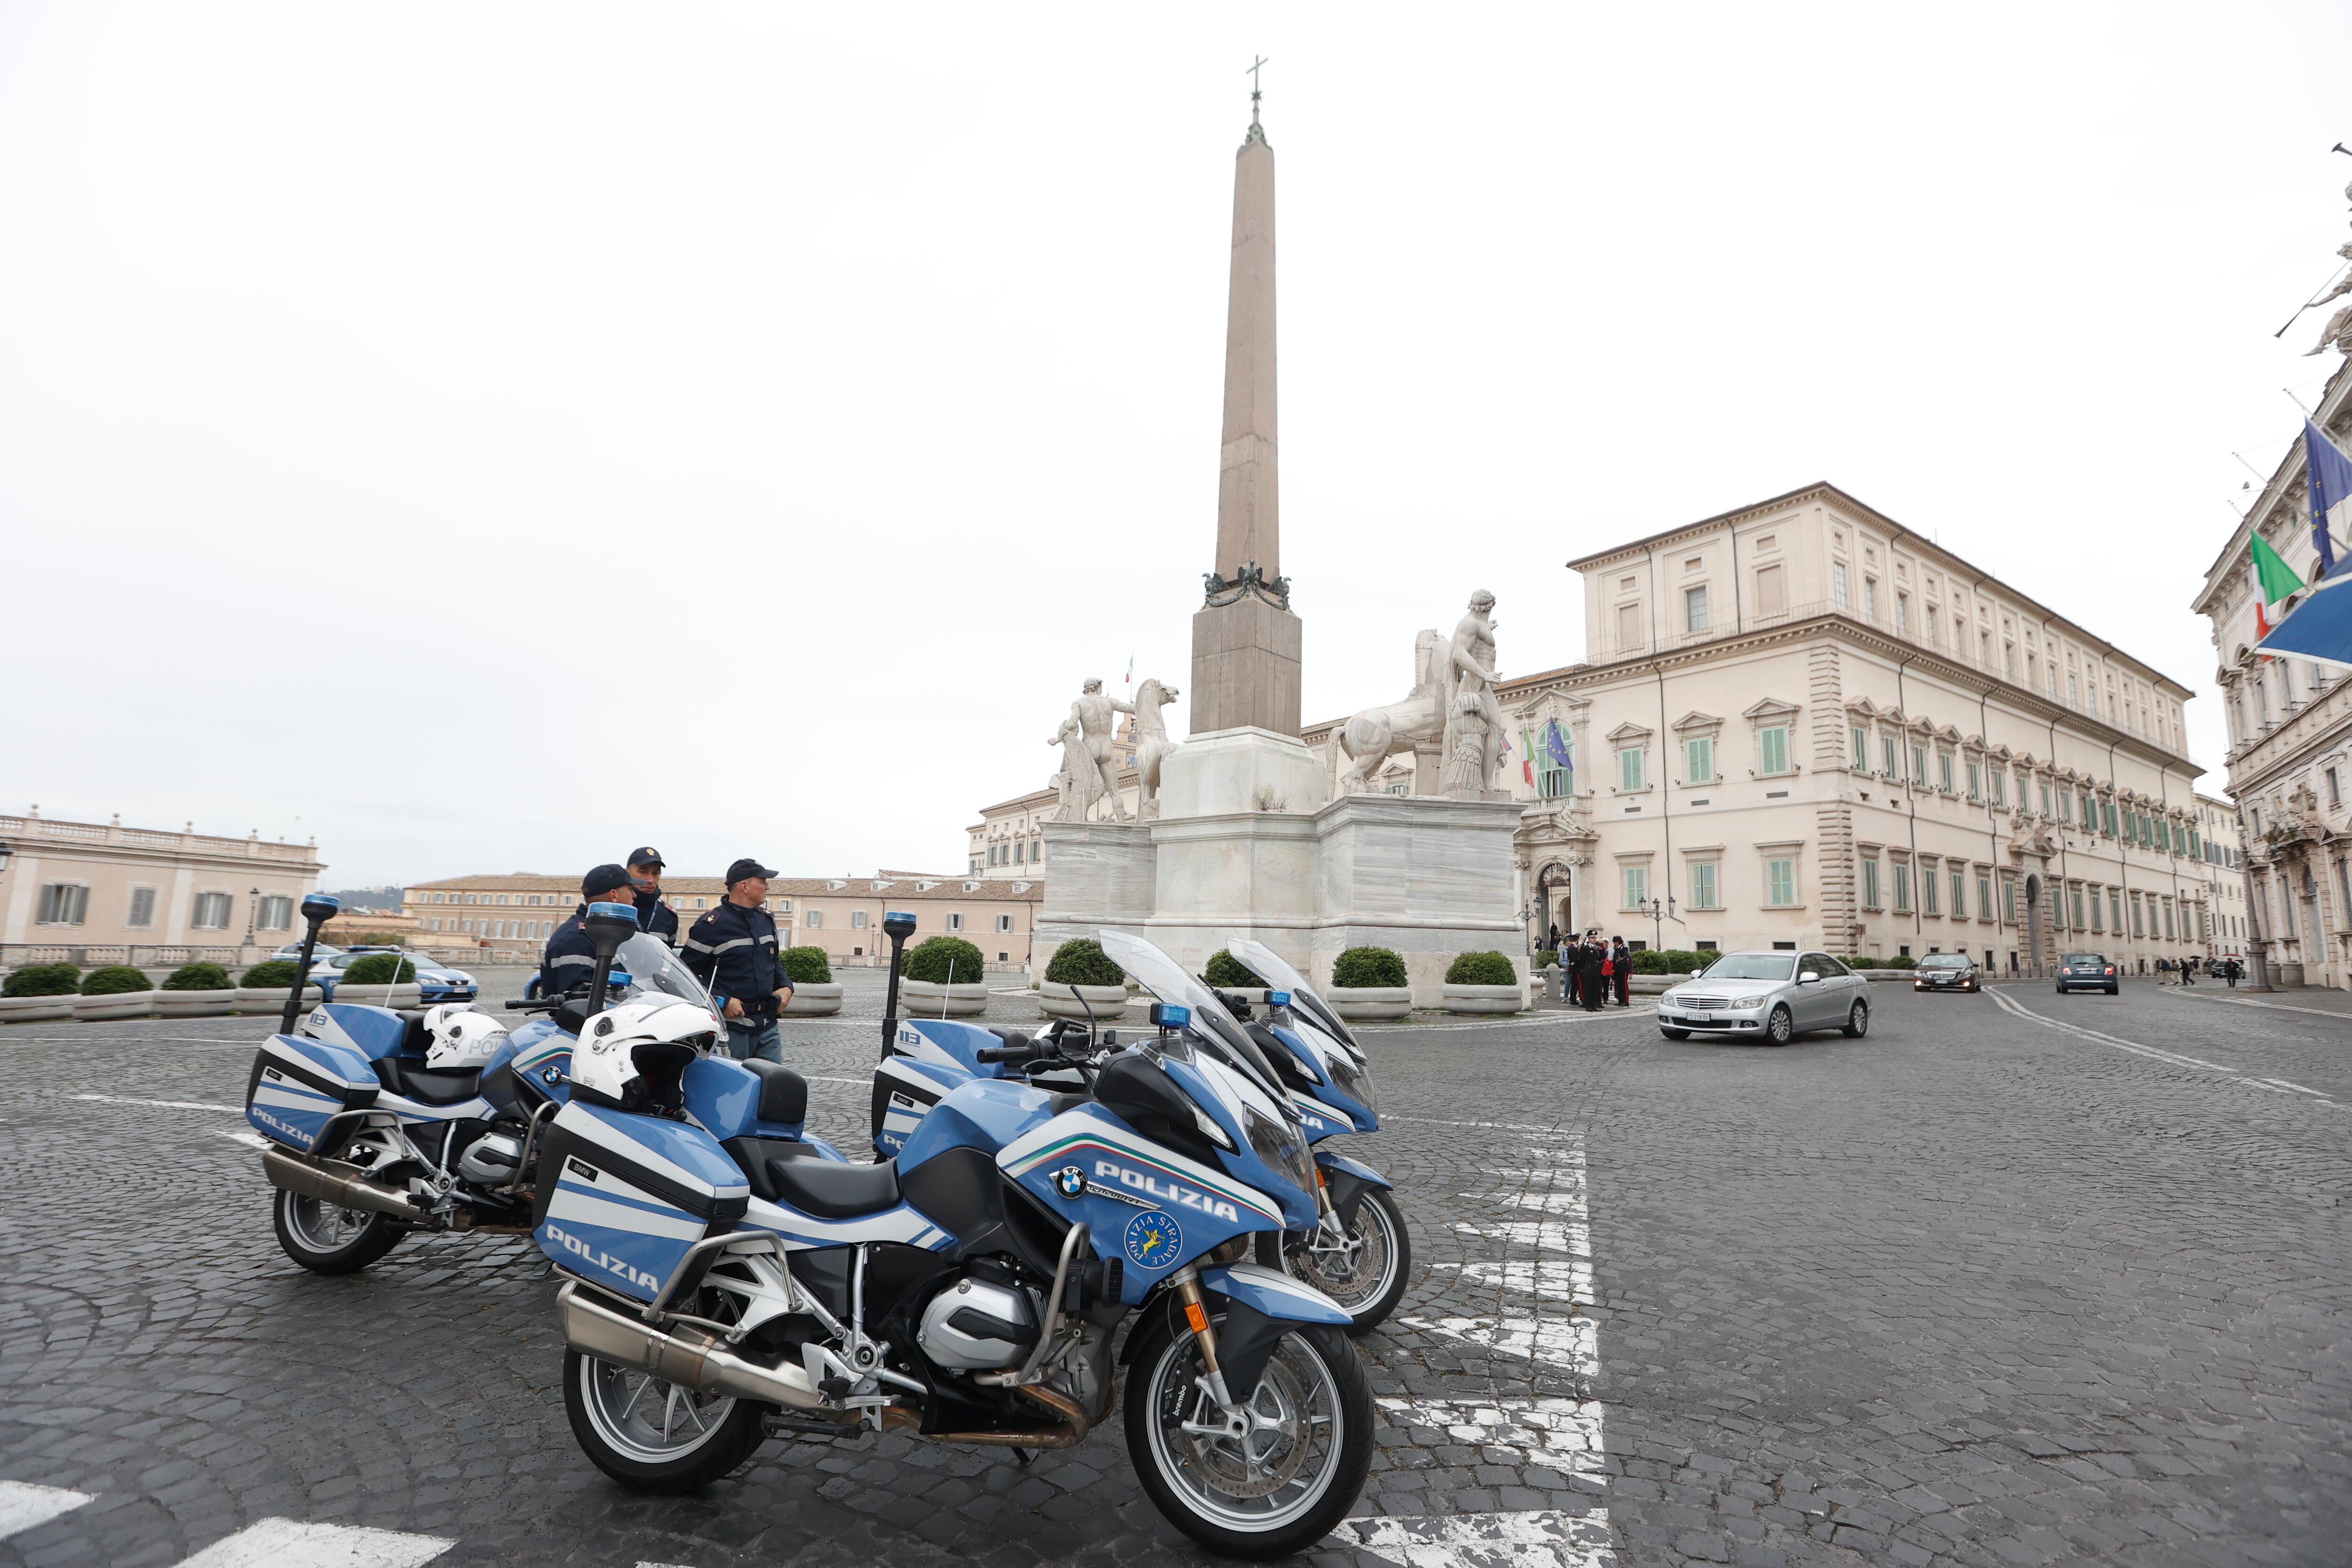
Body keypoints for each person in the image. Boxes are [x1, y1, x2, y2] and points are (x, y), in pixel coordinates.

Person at [682, 858, 794, 1064]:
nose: (767, 886)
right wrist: (721, 1000)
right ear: (745, 886)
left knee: (773, 1089)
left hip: (768, 1027)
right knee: (733, 1092)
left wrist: (787, 987)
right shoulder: (711, 926)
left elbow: (774, 963)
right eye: (763, 882)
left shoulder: (766, 920)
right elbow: (685, 976)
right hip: (731, 1029)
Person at [538, 864, 636, 1001]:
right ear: (614, 895)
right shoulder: (579, 939)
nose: (634, 896)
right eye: (630, 890)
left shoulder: (604, 933)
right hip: (584, 1022)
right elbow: (578, 1004)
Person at [623, 846, 679, 947]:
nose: (650, 880)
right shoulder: (615, 909)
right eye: (643, 872)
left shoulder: (668, 916)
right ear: (628, 873)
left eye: (655, 873)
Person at [1576, 933, 1603, 1012]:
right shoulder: (1586, 948)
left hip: (1596, 971)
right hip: (1588, 971)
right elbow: (1582, 959)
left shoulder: (1597, 948)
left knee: (1595, 990)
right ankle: (1588, 1006)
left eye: (1595, 938)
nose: (1594, 939)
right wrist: (1584, 969)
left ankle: (1593, 1005)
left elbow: (1601, 957)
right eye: (1592, 938)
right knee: (1588, 990)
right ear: (1589, 939)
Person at [1611, 937, 1633, 1006]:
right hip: (1618, 969)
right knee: (1619, 985)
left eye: (1615, 942)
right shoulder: (1616, 949)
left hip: (1623, 969)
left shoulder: (1624, 948)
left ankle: (1626, 1001)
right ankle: (1621, 1001)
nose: (1614, 944)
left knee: (1624, 985)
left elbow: (1627, 955)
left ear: (1617, 942)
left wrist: (1622, 958)